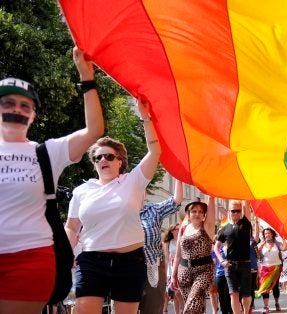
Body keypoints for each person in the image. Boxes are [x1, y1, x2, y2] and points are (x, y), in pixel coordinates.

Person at [0, 47, 104, 313]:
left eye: (25, 105)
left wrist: (86, 76)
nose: (16, 110)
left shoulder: (47, 152)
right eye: (7, 103)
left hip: (30, 259)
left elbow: (94, 131)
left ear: (33, 115)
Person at [64, 96, 161, 313]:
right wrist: (65, 255)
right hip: (91, 261)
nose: (103, 161)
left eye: (108, 156)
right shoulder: (82, 191)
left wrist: (145, 118)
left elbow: (155, 152)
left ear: (120, 161)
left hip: (129, 261)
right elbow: (71, 227)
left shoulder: (133, 181)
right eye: (97, 158)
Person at [139, 179, 183, 314]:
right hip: (125, 267)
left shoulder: (153, 210)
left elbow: (176, 200)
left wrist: (178, 176)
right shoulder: (120, 213)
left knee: (152, 308)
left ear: (144, 194)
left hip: (152, 268)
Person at [171, 199, 216, 314]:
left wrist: (210, 192)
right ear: (188, 214)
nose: (197, 214)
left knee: (192, 305)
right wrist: (173, 275)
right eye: (194, 211)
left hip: (204, 271)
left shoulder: (207, 226)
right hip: (184, 273)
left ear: (204, 215)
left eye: (201, 212)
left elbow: (211, 201)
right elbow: (178, 255)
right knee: (197, 308)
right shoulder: (183, 229)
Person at [214, 201, 253, 314]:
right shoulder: (224, 229)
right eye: (233, 211)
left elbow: (246, 201)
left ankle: (246, 312)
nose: (235, 213)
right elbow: (216, 248)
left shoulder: (246, 223)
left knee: (246, 294)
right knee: (233, 293)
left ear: (241, 211)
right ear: (228, 212)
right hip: (230, 265)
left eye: (238, 211)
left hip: (245, 264)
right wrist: (222, 261)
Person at [255, 228, 287, 313]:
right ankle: (266, 306)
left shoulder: (277, 243)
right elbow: (258, 255)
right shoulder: (261, 244)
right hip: (265, 269)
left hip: (276, 268)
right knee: (265, 288)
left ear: (272, 234)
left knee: (275, 288)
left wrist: (284, 239)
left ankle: (277, 303)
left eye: (269, 233)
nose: (267, 235)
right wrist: (259, 249)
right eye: (265, 234)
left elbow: (284, 248)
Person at [164, 223, 184, 314]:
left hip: (182, 268)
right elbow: (167, 257)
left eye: (178, 229)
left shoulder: (182, 240)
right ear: (172, 231)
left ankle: (183, 309)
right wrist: (165, 271)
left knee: (179, 292)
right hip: (171, 269)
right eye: (176, 229)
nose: (177, 230)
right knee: (175, 293)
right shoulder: (168, 242)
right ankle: (177, 312)